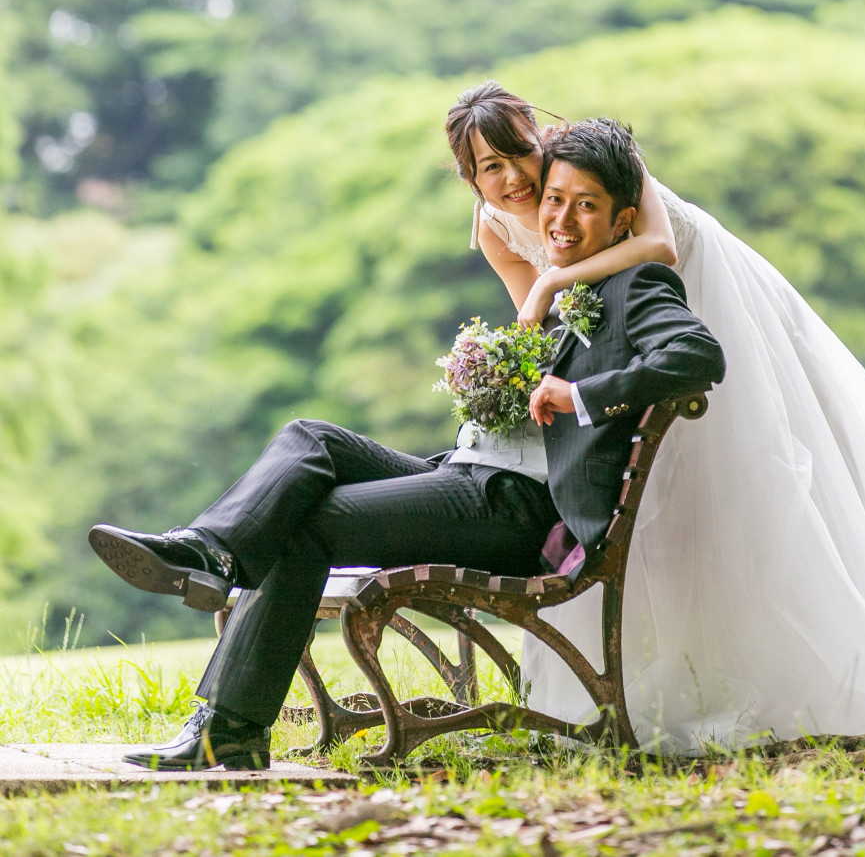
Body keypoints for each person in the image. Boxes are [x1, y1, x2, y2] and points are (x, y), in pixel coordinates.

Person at [447, 82, 865, 751]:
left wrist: (552, 278)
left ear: (540, 137)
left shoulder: (592, 161)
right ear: (471, 177)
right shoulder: (497, 228)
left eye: (521, 152)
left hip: (709, 297)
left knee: (765, 475)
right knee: (660, 505)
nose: (514, 175)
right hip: (623, 333)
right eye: (490, 167)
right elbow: (549, 334)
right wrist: (508, 368)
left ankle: (835, 663)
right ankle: (666, 674)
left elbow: (658, 244)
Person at [88, 120, 724, 770]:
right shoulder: (569, 286)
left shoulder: (633, 283)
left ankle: (226, 731)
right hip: (471, 474)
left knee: (301, 524)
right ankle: (207, 551)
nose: (559, 217)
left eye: (585, 205)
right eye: (553, 199)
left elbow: (697, 355)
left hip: (519, 505)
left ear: (622, 221)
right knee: (311, 439)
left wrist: (579, 396)